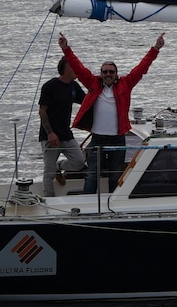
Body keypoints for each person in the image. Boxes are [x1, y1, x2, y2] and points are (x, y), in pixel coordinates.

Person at [59, 32, 165, 194]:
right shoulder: (92, 83)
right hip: (97, 138)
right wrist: (66, 48)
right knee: (92, 175)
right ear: (101, 74)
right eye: (105, 72)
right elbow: (78, 67)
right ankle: (88, 205)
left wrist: (156, 48)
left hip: (118, 138)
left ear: (116, 74)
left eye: (111, 72)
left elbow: (141, 68)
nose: (108, 74)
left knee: (116, 176)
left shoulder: (126, 84)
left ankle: (112, 206)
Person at [38, 56, 86, 197]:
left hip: (66, 134)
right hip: (50, 135)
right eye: (75, 67)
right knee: (49, 172)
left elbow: (86, 102)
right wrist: (50, 132)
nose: (78, 69)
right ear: (67, 68)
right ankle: (49, 199)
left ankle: (59, 166)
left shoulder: (74, 86)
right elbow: (42, 111)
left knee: (79, 162)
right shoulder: (50, 86)